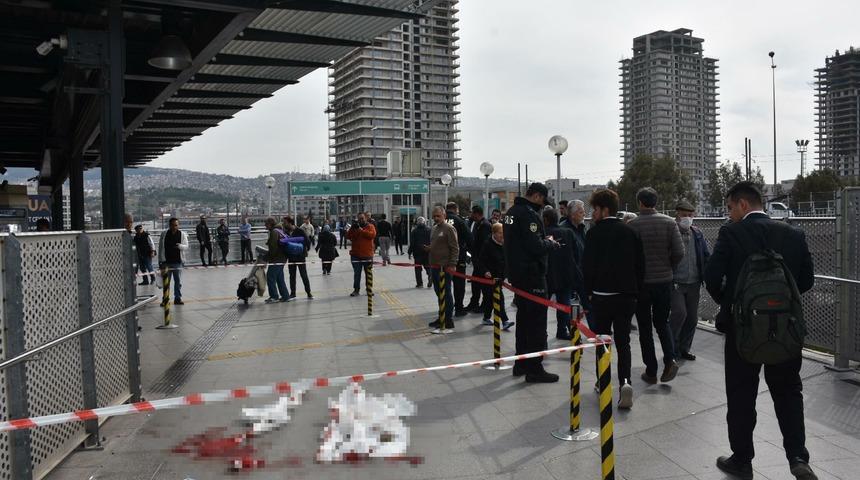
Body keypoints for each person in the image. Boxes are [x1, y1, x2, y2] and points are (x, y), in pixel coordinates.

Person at [704, 182, 817, 480]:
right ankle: (797, 457)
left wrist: (731, 302)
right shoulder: (793, 234)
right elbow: (806, 280)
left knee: (742, 395)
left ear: (742, 204)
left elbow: (712, 278)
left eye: (730, 207)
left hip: (743, 331)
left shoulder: (731, 233)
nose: (729, 214)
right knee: (789, 392)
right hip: (786, 330)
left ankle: (742, 460)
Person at [583, 189, 645, 409]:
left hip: (601, 297)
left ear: (604, 209)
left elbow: (587, 267)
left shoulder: (593, 234)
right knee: (624, 342)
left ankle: (603, 381)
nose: (593, 213)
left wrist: (587, 291)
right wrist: (635, 290)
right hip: (626, 296)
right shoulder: (630, 232)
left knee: (603, 341)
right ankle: (626, 382)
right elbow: (640, 265)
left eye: (595, 209)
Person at [504, 182, 560, 383]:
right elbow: (534, 246)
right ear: (536, 196)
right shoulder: (528, 215)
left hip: (518, 275)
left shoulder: (511, 212)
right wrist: (550, 243)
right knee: (536, 323)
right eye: (542, 202)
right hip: (532, 275)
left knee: (524, 321)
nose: (542, 206)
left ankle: (521, 363)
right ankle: (535, 368)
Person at [627, 187, 684, 384]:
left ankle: (651, 371)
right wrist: (669, 266)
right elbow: (679, 251)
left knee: (644, 327)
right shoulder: (669, 223)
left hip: (642, 284)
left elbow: (630, 257)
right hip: (664, 281)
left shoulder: (633, 225)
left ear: (640, 203)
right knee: (662, 322)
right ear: (656, 202)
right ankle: (670, 360)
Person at [670, 200, 710, 361]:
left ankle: (684, 348)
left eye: (690, 215)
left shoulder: (697, 233)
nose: (687, 218)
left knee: (692, 318)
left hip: (694, 282)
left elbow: (706, 255)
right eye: (684, 215)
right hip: (676, 282)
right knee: (679, 313)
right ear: (677, 215)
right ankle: (671, 347)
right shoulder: (671, 231)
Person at [543, 208, 578, 340]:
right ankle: (563, 330)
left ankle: (543, 332)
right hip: (565, 275)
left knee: (543, 306)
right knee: (564, 305)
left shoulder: (543, 233)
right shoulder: (568, 233)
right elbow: (577, 253)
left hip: (547, 276)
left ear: (545, 220)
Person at [427, 206, 459, 334]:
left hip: (445, 267)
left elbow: (455, 248)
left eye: (438, 216)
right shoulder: (434, 228)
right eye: (434, 216)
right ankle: (441, 316)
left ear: (444, 216)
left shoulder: (449, 228)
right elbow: (437, 245)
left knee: (446, 292)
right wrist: (429, 249)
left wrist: (452, 264)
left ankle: (448, 319)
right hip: (434, 266)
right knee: (438, 292)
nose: (436, 218)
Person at [479, 222, 514, 330]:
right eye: (499, 233)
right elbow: (481, 261)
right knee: (499, 299)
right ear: (494, 233)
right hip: (489, 278)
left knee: (490, 300)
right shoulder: (487, 244)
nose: (502, 235)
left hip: (499, 277)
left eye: (503, 233)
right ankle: (505, 321)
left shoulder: (504, 244)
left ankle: (486, 317)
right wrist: (485, 271)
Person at [445, 202, 472, 316]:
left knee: (445, 284)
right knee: (459, 284)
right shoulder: (459, 220)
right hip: (458, 257)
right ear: (455, 209)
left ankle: (446, 308)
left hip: (443, 258)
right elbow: (469, 237)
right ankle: (459, 308)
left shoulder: (442, 220)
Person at [465, 205, 491, 314]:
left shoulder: (485, 225)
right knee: (475, 284)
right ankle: (474, 303)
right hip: (477, 260)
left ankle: (484, 305)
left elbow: (484, 244)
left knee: (484, 285)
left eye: (472, 213)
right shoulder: (477, 224)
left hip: (482, 261)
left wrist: (479, 258)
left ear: (477, 213)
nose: (471, 215)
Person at [157, 217, 189, 305]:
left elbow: (186, 246)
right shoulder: (164, 234)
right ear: (169, 225)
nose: (174, 227)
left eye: (176, 225)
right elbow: (160, 248)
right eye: (172, 225)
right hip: (166, 262)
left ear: (178, 225)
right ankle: (165, 299)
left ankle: (177, 298)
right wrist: (160, 261)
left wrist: (180, 246)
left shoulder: (182, 234)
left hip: (177, 262)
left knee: (178, 282)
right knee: (166, 282)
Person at [347, 212, 377, 296]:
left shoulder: (370, 226)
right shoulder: (355, 227)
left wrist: (361, 230)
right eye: (359, 219)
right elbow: (348, 236)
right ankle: (356, 290)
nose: (360, 220)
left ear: (366, 218)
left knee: (368, 273)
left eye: (362, 218)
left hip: (367, 255)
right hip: (356, 255)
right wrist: (352, 228)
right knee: (357, 273)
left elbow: (372, 235)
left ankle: (369, 289)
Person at [283, 216, 312, 299]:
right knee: (292, 276)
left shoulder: (299, 230)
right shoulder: (285, 232)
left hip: (300, 257)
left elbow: (308, 242)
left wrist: (304, 250)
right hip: (291, 257)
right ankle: (293, 293)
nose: (284, 224)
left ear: (290, 223)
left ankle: (308, 292)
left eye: (285, 222)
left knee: (303, 275)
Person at [263, 217, 289, 303]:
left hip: (277, 259)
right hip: (282, 258)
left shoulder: (274, 232)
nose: (265, 226)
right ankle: (285, 296)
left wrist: (268, 257)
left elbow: (273, 247)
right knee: (279, 278)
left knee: (270, 276)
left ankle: (274, 296)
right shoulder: (279, 230)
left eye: (266, 224)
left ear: (270, 224)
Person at [408, 216, 432, 288]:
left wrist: (409, 252)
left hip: (417, 252)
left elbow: (412, 243)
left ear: (417, 223)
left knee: (418, 268)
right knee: (428, 266)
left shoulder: (414, 231)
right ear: (424, 222)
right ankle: (430, 276)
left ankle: (420, 283)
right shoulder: (429, 230)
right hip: (427, 251)